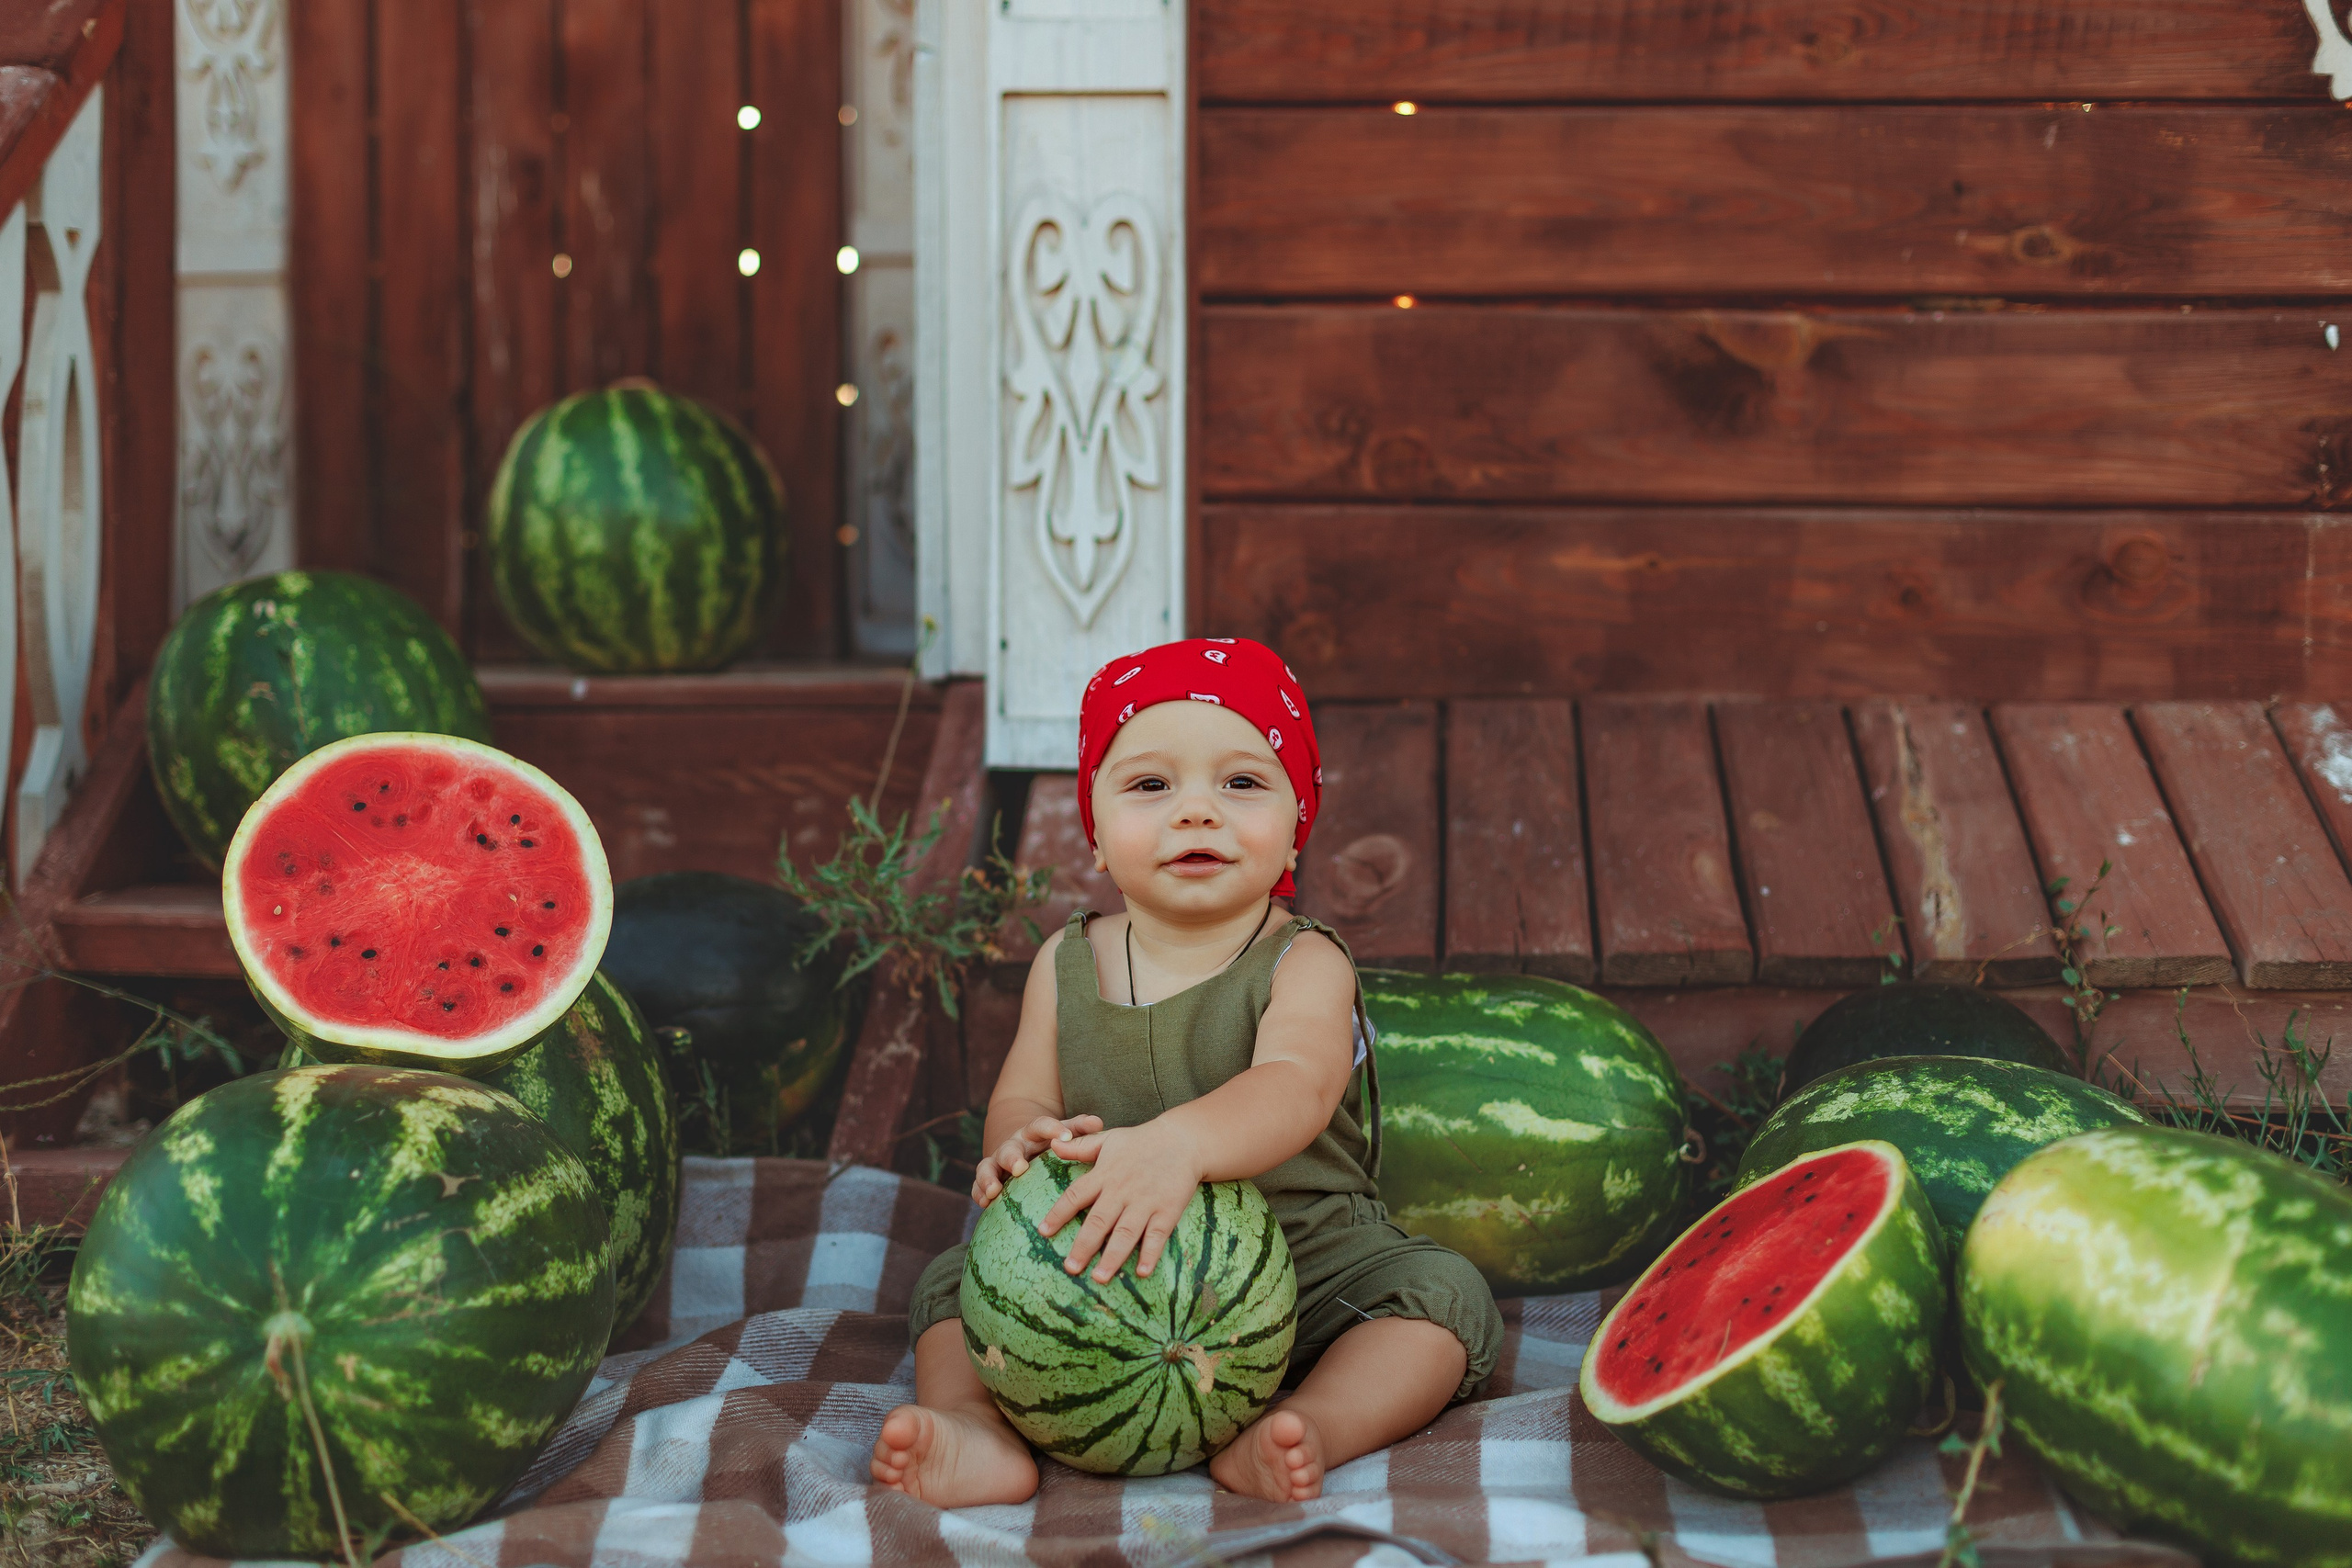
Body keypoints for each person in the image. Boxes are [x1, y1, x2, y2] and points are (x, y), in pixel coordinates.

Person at [871, 638, 1502, 1506]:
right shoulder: (1065, 961)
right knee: (953, 1285)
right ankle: (977, 1426)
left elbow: (1297, 1084)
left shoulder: (1305, 961)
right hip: (1108, 1259)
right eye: (1150, 784)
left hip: (1311, 1261)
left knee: (1442, 1297)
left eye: (1241, 781)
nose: (1197, 811)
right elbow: (1024, 1093)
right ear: (1096, 834)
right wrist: (1022, 1141)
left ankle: (1316, 1420)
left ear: (1295, 829)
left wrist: (1181, 1145)